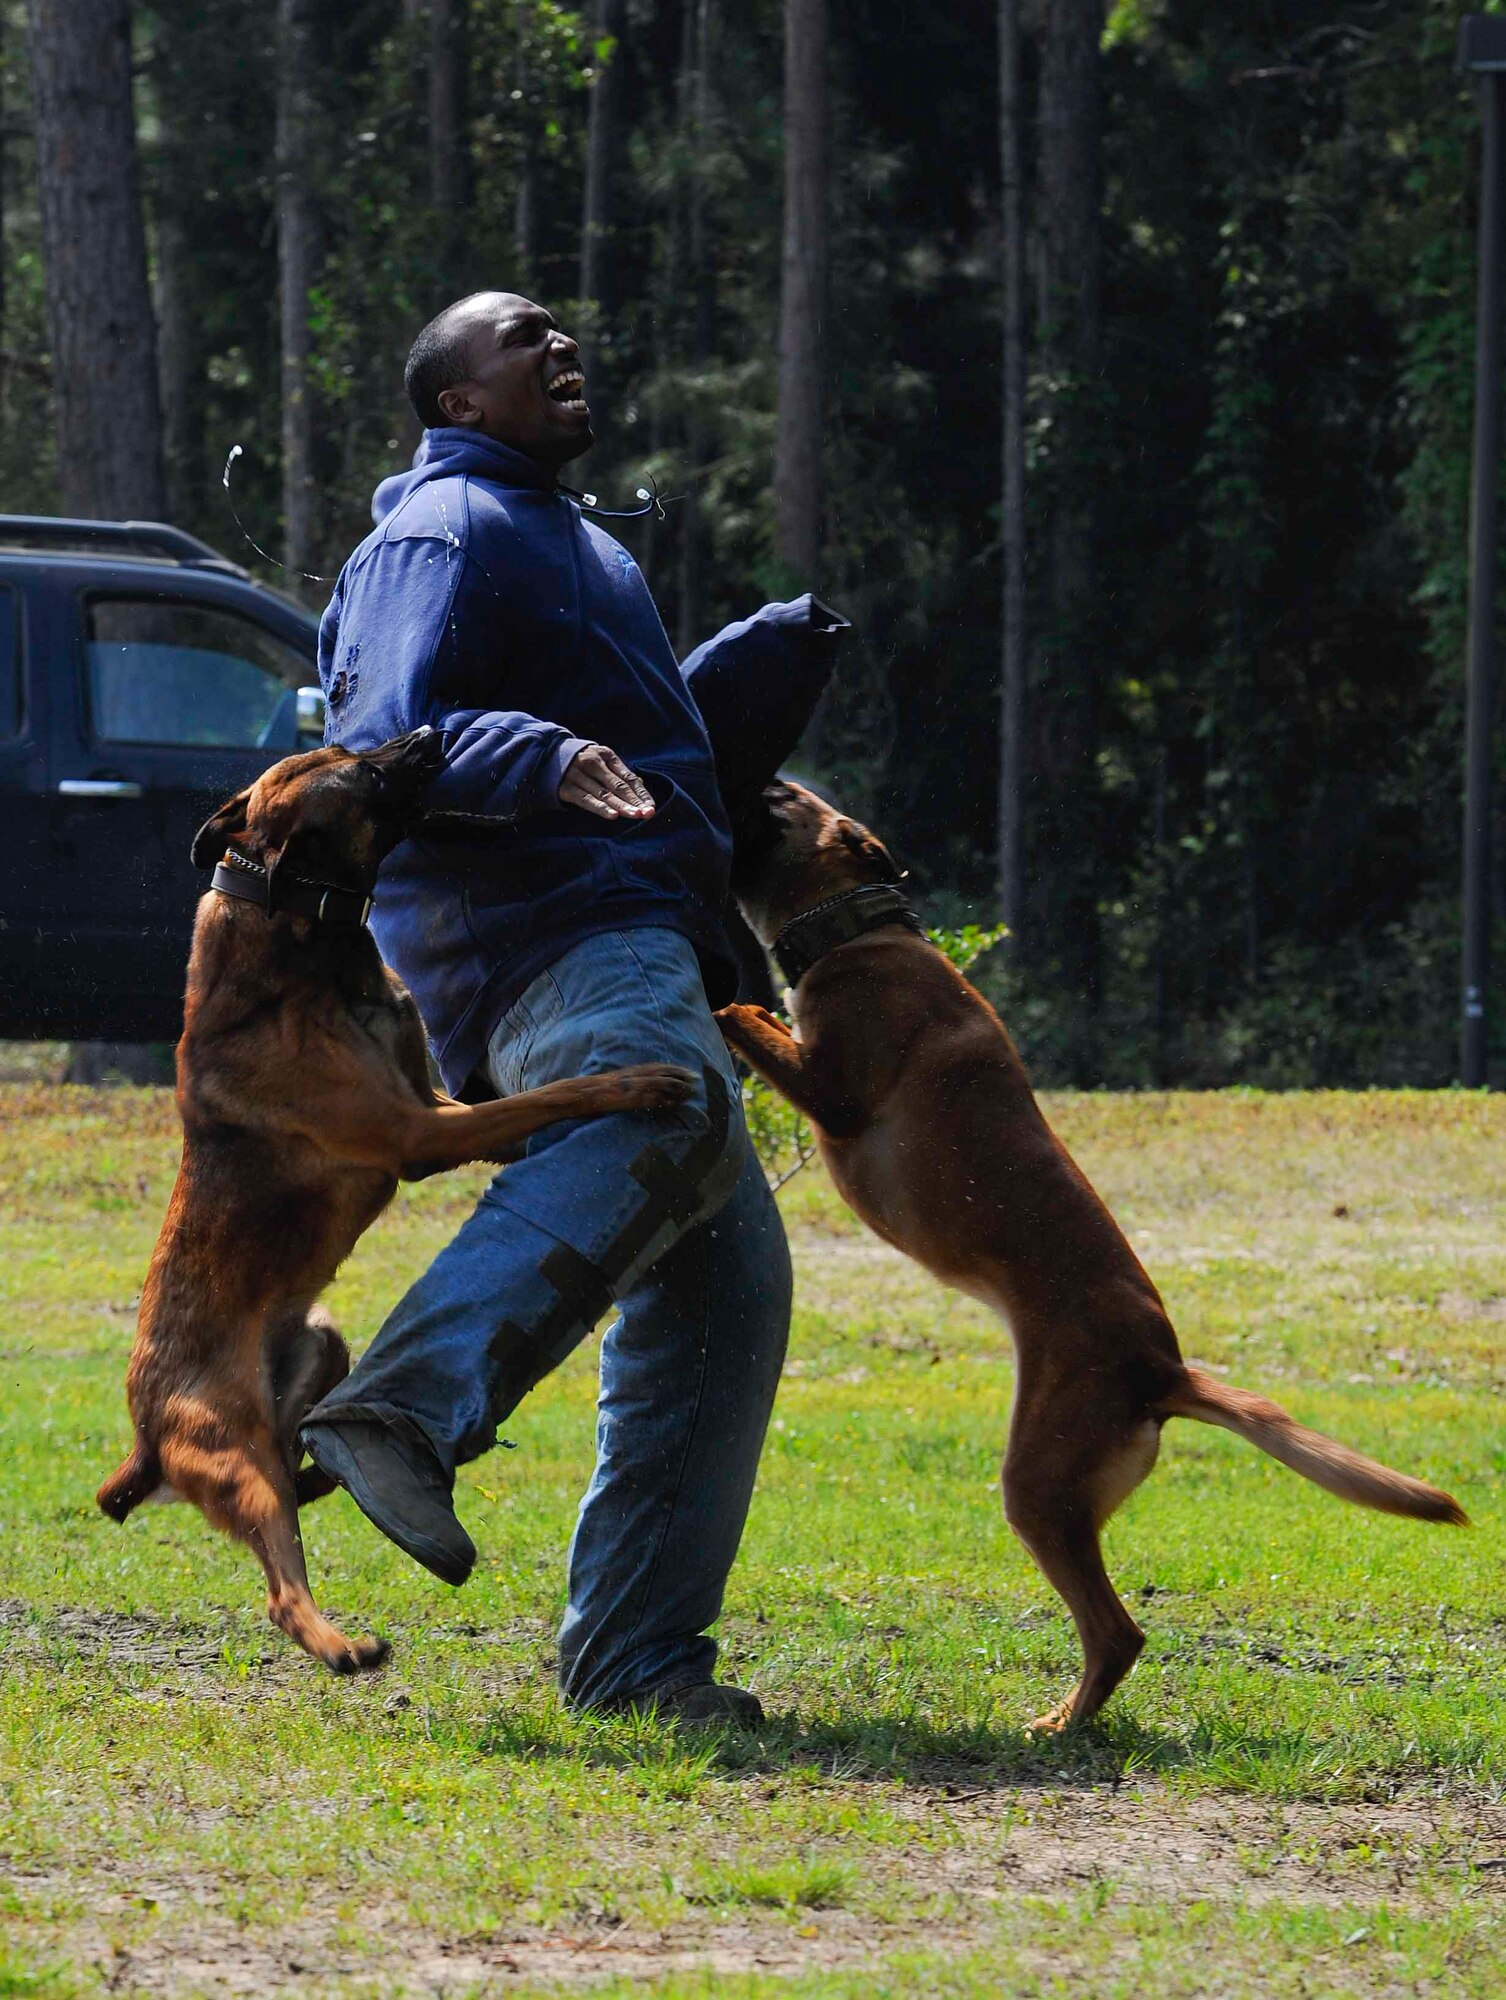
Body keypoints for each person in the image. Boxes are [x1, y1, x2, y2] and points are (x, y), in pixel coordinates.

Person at [299, 290, 846, 1723]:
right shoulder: (435, 534)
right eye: (520, 336)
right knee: (657, 1118)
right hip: (542, 931)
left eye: (566, 330)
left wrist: (760, 671)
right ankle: (400, 1403)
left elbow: (644, 741)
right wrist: (530, 752)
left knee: (727, 1295)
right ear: (455, 403)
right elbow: (372, 743)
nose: (561, 345)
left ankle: (634, 1665)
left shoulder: (571, 537)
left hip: (635, 927)